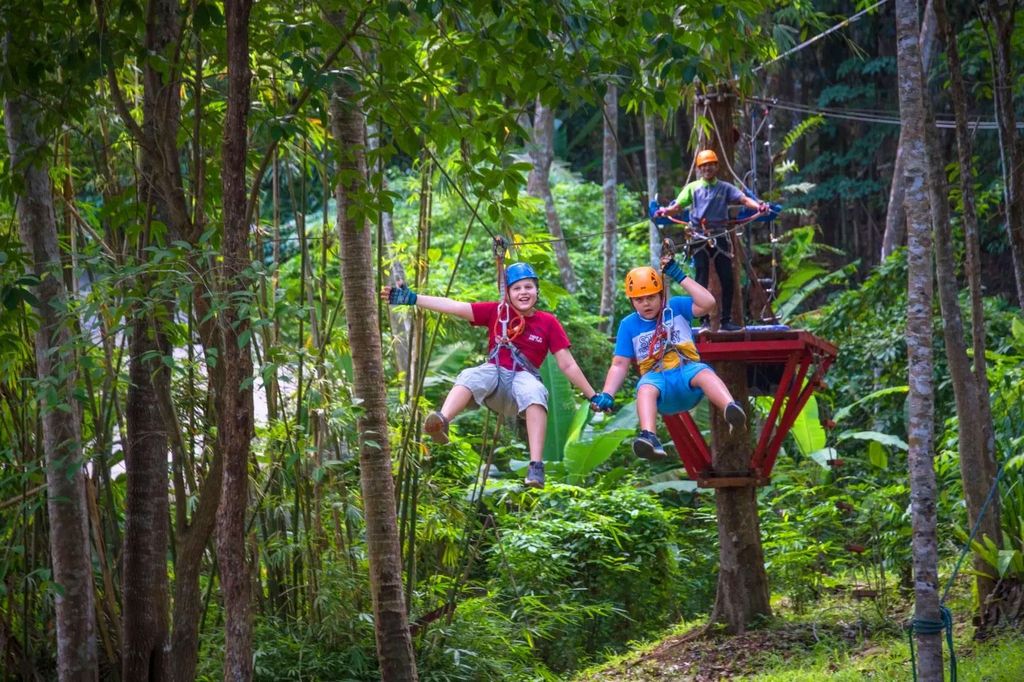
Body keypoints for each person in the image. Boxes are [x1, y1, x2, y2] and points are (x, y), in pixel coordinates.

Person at [382, 262, 607, 488]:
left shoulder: (548, 323)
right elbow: (454, 307)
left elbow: (567, 365)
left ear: (537, 291)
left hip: (523, 381)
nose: (523, 293)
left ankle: (536, 466)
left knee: (536, 391)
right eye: (517, 288)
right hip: (495, 375)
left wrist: (592, 396)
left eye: (528, 287)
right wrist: (413, 298)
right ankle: (442, 421)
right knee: (471, 375)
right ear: (508, 293)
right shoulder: (497, 312)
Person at [592, 257, 745, 460]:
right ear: (631, 301)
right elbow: (619, 364)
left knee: (705, 373)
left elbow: (708, 304)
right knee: (644, 389)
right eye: (639, 299)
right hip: (658, 380)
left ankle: (731, 408)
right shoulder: (628, 325)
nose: (646, 303)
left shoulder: (677, 307)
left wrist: (679, 276)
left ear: (661, 294)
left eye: (651, 297)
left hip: (686, 371)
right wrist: (607, 393)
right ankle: (649, 436)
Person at [654, 149, 768, 331]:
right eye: (704, 165)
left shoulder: (725, 188)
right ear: (699, 168)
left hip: (719, 235)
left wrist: (759, 206)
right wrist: (664, 212)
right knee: (700, 278)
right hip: (698, 236)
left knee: (727, 278)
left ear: (716, 166)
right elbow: (677, 206)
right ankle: (705, 321)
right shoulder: (693, 188)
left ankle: (726, 321)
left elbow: (744, 199)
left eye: (710, 165)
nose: (707, 168)